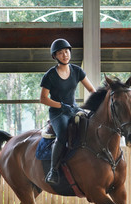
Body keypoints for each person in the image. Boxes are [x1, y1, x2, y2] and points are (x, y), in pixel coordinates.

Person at [40, 38, 96, 185]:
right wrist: (61, 106)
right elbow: (43, 99)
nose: (65, 55)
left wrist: (94, 104)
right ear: (55, 56)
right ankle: (53, 171)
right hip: (58, 113)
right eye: (60, 53)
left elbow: (91, 89)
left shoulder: (77, 71)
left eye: (66, 51)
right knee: (63, 134)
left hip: (73, 109)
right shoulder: (50, 75)